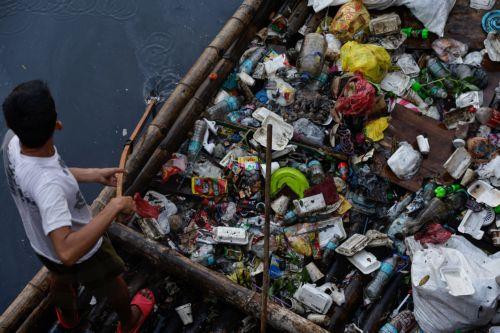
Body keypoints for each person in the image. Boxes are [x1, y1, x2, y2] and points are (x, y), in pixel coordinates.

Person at [2, 80, 155, 333]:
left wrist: (92, 174)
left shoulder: (13, 143)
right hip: (82, 250)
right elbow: (67, 251)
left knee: (60, 278)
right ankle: (129, 322)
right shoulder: (48, 185)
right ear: (56, 125)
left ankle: (69, 317)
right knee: (113, 283)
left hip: (41, 243)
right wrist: (113, 207)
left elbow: (47, 177)